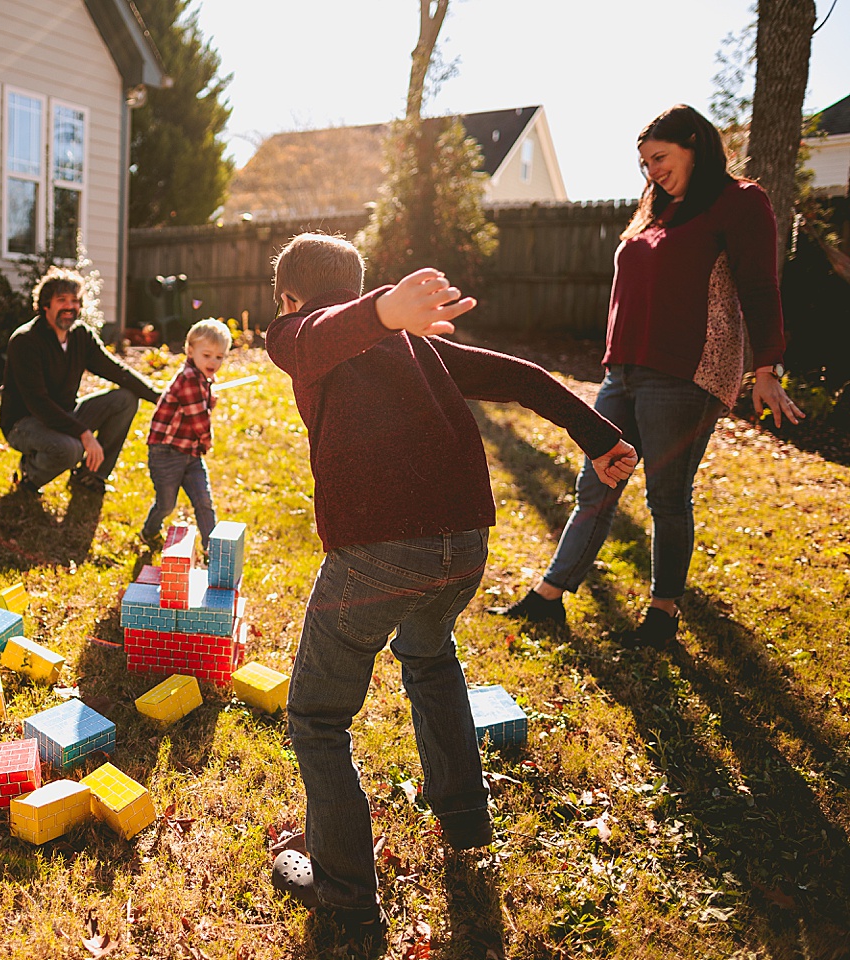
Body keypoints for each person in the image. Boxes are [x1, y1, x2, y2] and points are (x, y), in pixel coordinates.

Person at [262, 233, 638, 940]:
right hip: (462, 549)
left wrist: (383, 315)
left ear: (288, 297)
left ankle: (344, 896)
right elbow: (524, 377)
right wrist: (599, 436)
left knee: (317, 717)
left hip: (380, 553)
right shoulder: (401, 340)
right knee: (429, 658)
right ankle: (465, 820)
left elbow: (309, 335)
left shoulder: (297, 331)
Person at [493, 104, 802, 646]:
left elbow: (759, 287)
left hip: (685, 373)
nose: (652, 171)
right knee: (596, 483)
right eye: (644, 163)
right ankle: (550, 597)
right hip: (623, 373)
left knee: (665, 495)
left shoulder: (739, 202)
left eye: (660, 157)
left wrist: (766, 367)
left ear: (695, 146)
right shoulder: (655, 210)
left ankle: (662, 613)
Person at [0, 267, 161, 494]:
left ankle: (90, 476)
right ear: (46, 304)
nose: (70, 306)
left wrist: (158, 397)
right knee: (71, 448)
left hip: (65, 413)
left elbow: (115, 370)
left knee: (125, 400)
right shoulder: (25, 341)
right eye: (62, 300)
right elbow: (38, 403)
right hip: (25, 422)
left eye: (75, 300)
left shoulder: (80, 335)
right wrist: (84, 434)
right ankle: (30, 475)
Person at [141, 318, 231, 546]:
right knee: (166, 503)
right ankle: (149, 531)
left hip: (190, 452)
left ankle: (212, 548)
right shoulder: (189, 378)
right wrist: (207, 441)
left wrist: (209, 401)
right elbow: (199, 420)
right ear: (190, 351)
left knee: (204, 501)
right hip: (167, 452)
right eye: (207, 355)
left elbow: (196, 409)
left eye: (219, 357)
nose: (213, 362)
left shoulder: (202, 378)